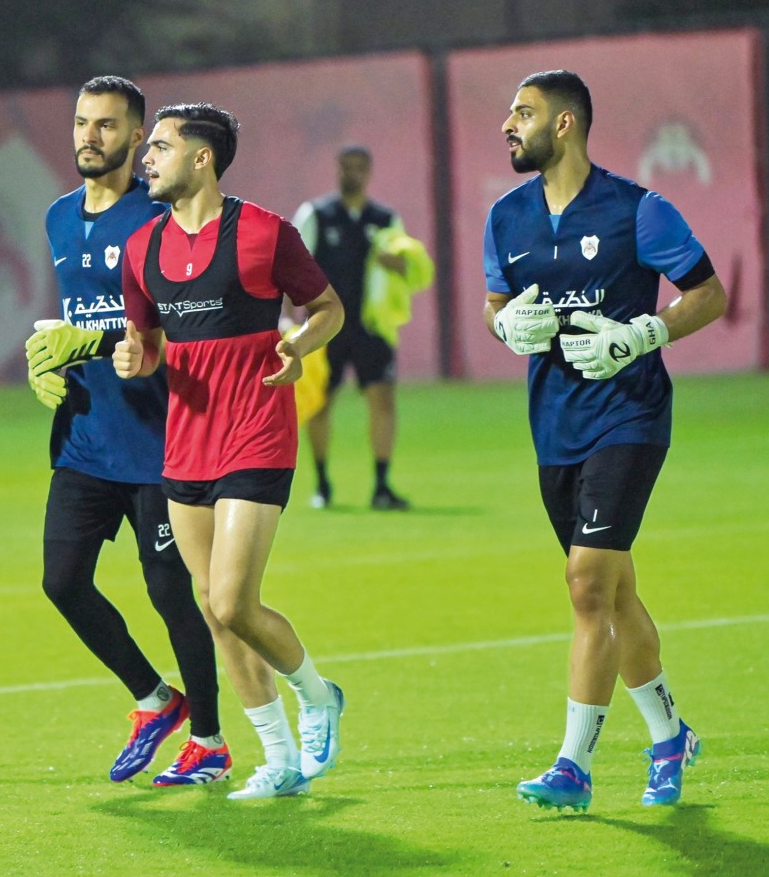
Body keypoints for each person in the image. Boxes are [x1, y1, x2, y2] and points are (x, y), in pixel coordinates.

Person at [483, 70, 726, 811]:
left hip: (630, 414)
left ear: (565, 124)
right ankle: (669, 734)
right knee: (614, 594)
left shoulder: (637, 210)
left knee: (587, 582)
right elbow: (498, 301)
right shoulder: (505, 216)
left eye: (522, 112)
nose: (507, 124)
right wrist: (502, 326)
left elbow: (709, 294)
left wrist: (646, 333)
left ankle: (572, 766)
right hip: (554, 426)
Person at [113, 103, 347, 800]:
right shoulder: (140, 250)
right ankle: (277, 759)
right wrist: (134, 357)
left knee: (233, 600)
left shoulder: (266, 233)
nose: (145, 158)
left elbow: (328, 310)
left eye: (159, 147)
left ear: (202, 158)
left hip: (256, 431)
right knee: (215, 613)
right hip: (186, 445)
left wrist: (298, 346)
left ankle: (317, 695)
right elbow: (149, 346)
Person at [24, 77, 229, 786]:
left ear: (137, 137)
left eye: (107, 126)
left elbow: (181, 320)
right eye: (82, 123)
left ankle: (208, 739)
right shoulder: (57, 217)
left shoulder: (163, 216)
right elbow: (64, 324)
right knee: (62, 580)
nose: (90, 137)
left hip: (160, 439)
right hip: (84, 436)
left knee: (172, 593)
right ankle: (152, 699)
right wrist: (43, 365)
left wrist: (93, 337)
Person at [292, 146, 430, 510]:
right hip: (324, 325)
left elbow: (409, 268)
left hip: (371, 325)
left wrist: (396, 263)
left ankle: (382, 485)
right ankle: (322, 484)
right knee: (319, 403)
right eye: (346, 167)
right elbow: (293, 265)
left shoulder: (385, 219)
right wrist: (288, 319)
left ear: (368, 172)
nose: (351, 174)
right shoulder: (317, 215)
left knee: (383, 399)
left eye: (358, 168)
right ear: (337, 170)